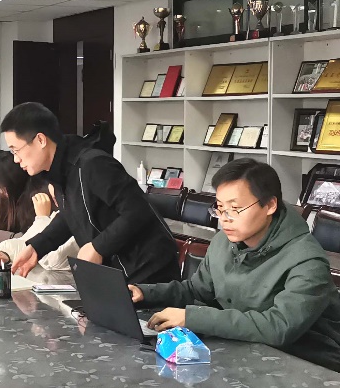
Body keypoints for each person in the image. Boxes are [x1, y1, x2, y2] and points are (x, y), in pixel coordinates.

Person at [129, 159, 340, 372]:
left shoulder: (307, 260)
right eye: (220, 208)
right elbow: (197, 290)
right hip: (248, 352)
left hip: (309, 365)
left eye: (235, 208)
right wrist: (145, 293)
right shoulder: (224, 241)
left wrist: (191, 317)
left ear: (270, 205)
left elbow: (279, 326)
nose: (224, 219)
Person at [0, 102, 179, 283]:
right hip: (117, 273)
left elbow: (138, 210)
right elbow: (71, 216)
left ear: (40, 140)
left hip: (149, 272)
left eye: (16, 150)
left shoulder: (92, 165)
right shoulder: (60, 171)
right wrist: (37, 247)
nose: (15, 159)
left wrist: (98, 247)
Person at [0, 184, 79, 271]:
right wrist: (6, 254)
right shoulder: (55, 214)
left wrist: (42, 219)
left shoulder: (75, 218)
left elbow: (51, 260)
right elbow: (26, 242)